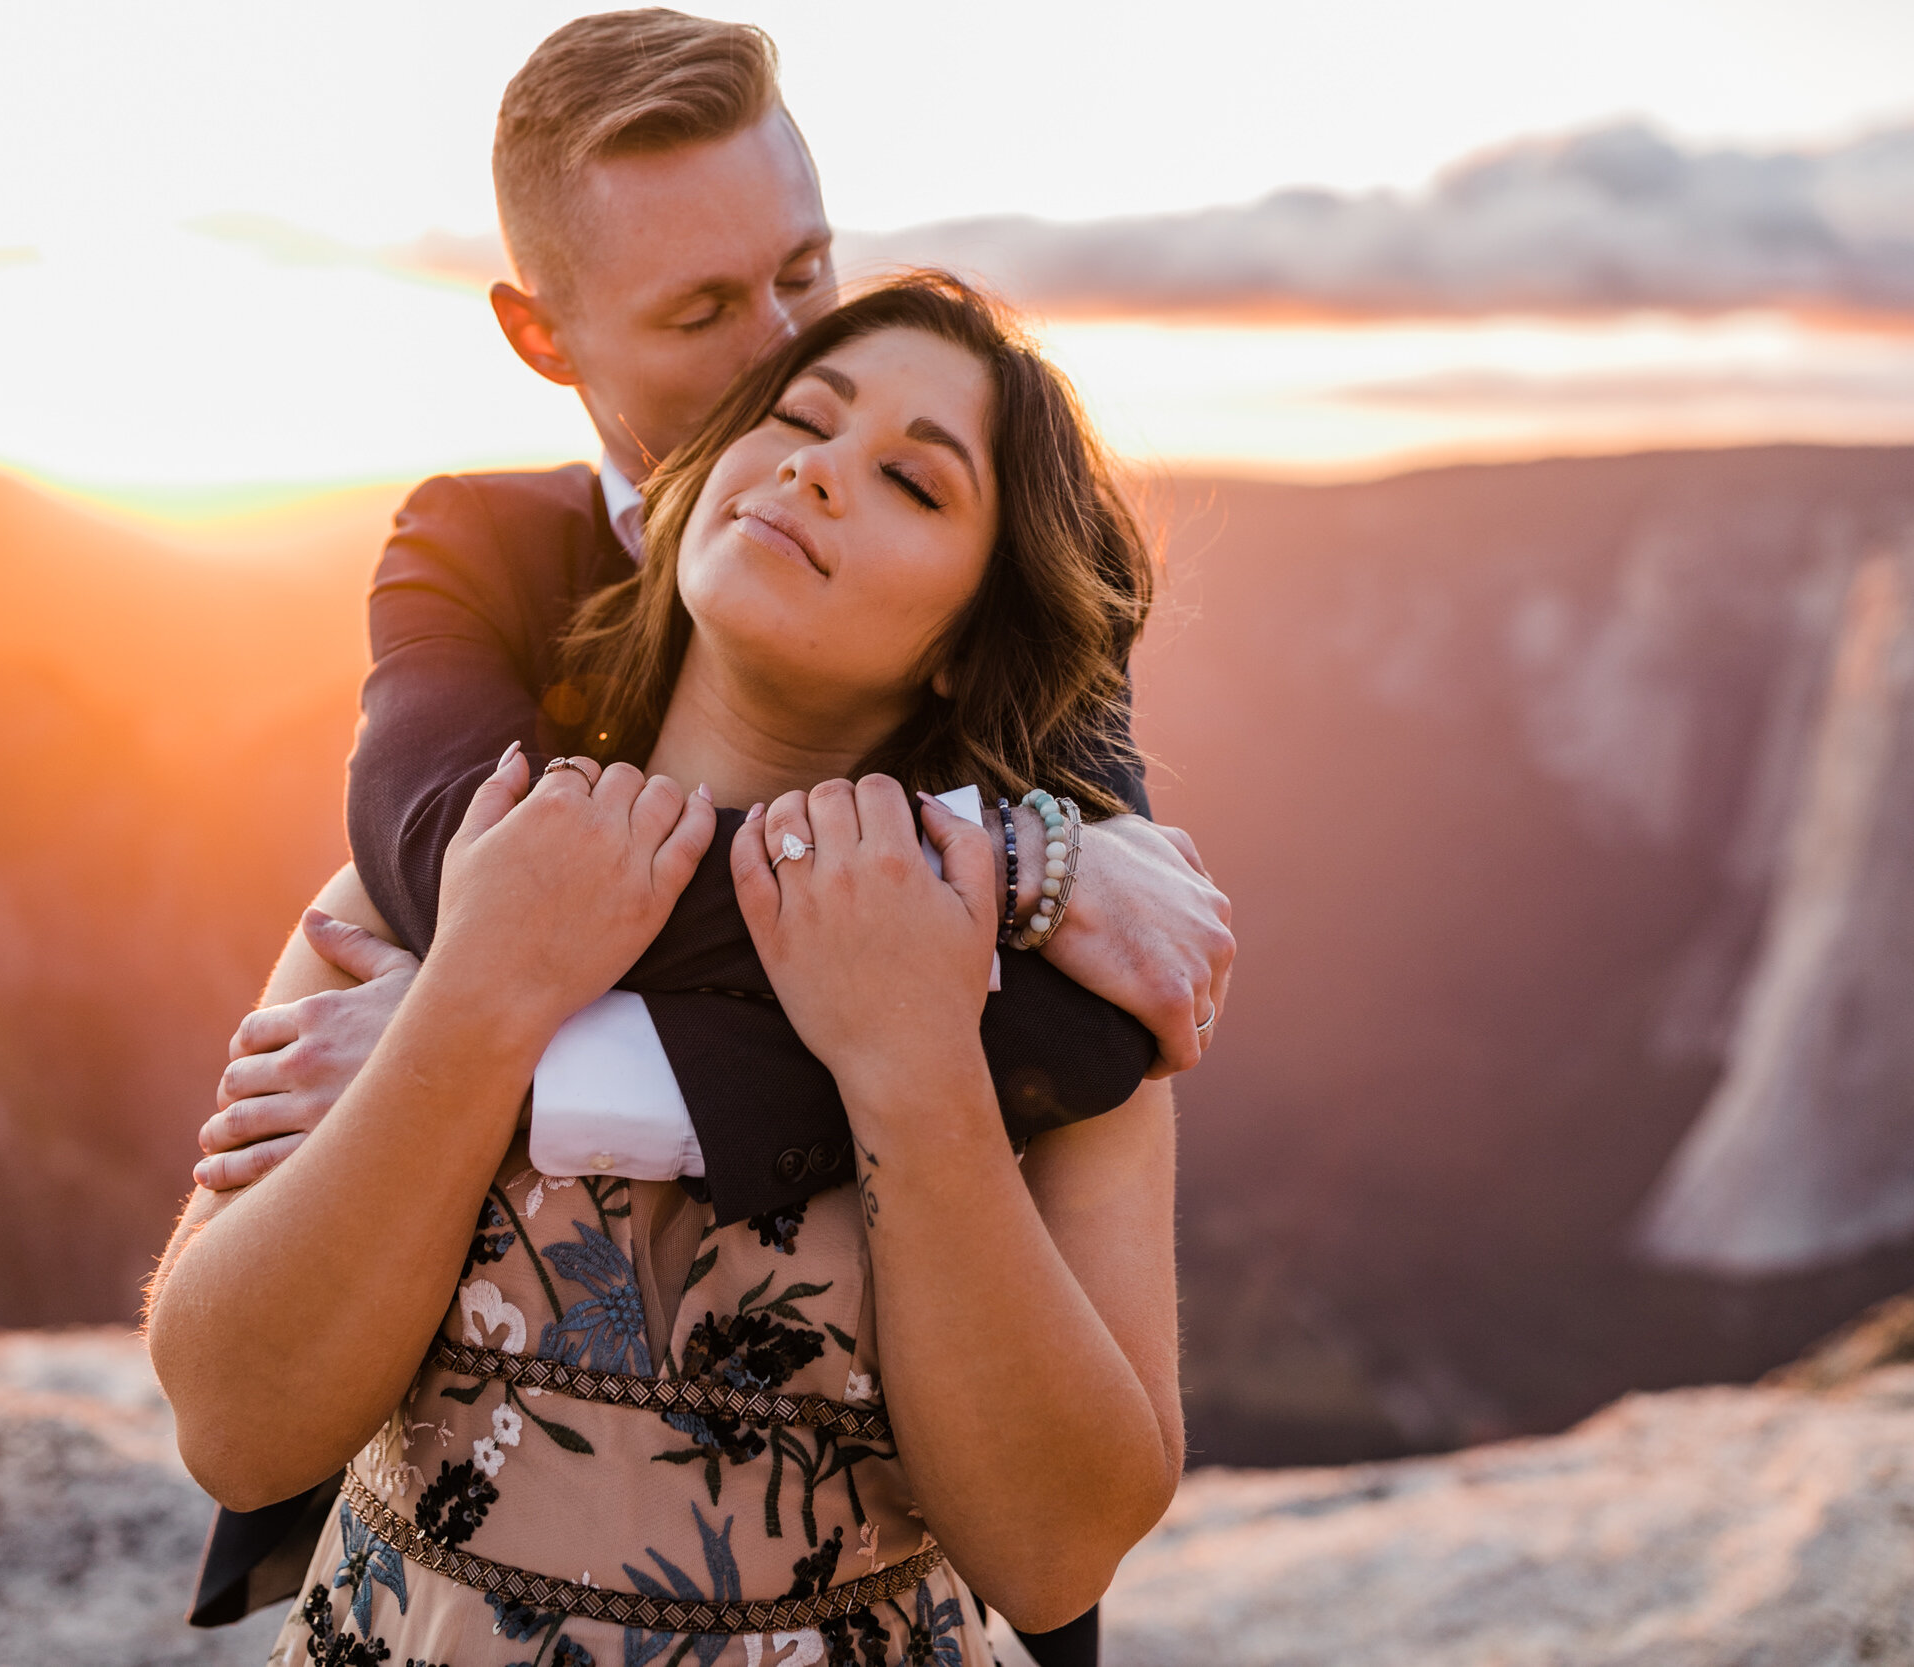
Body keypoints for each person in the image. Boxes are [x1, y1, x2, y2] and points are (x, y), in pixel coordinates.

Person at [179, 12, 1233, 1652]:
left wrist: (964, 945)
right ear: (546, 336)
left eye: (803, 271)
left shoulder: (1035, 896)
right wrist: (483, 1002)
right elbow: (236, 1423)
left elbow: (1102, 999)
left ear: (975, 621)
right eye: (780, 394)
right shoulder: (468, 692)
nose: (779, 367)